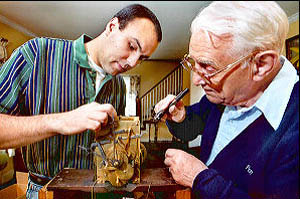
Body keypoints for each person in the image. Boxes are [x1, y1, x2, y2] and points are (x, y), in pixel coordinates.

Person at [0, 4, 162, 199]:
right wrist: (61, 121)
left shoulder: (119, 85)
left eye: (142, 58)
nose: (133, 62)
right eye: (132, 46)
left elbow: (109, 148)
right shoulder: (37, 54)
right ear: (112, 26)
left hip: (97, 192)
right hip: (46, 192)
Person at [154, 1, 299, 199]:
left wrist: (199, 179)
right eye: (193, 63)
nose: (196, 80)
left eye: (208, 67)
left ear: (261, 65)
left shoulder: (293, 130)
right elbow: (196, 124)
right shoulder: (225, 93)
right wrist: (181, 116)